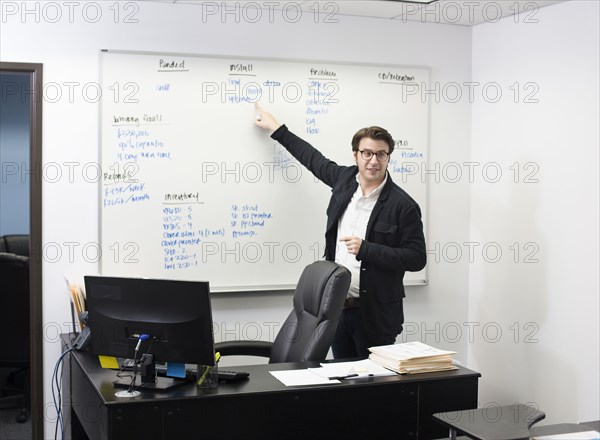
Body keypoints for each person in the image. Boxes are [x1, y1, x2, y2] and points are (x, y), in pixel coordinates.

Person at [254, 103, 427, 359]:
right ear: (355, 154)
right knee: (342, 382)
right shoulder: (343, 181)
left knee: (373, 387)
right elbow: (312, 158)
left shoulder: (403, 205)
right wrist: (276, 128)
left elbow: (416, 258)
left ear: (388, 157)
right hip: (335, 309)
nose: (373, 161)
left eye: (381, 154)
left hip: (376, 317)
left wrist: (367, 249)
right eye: (367, 153)